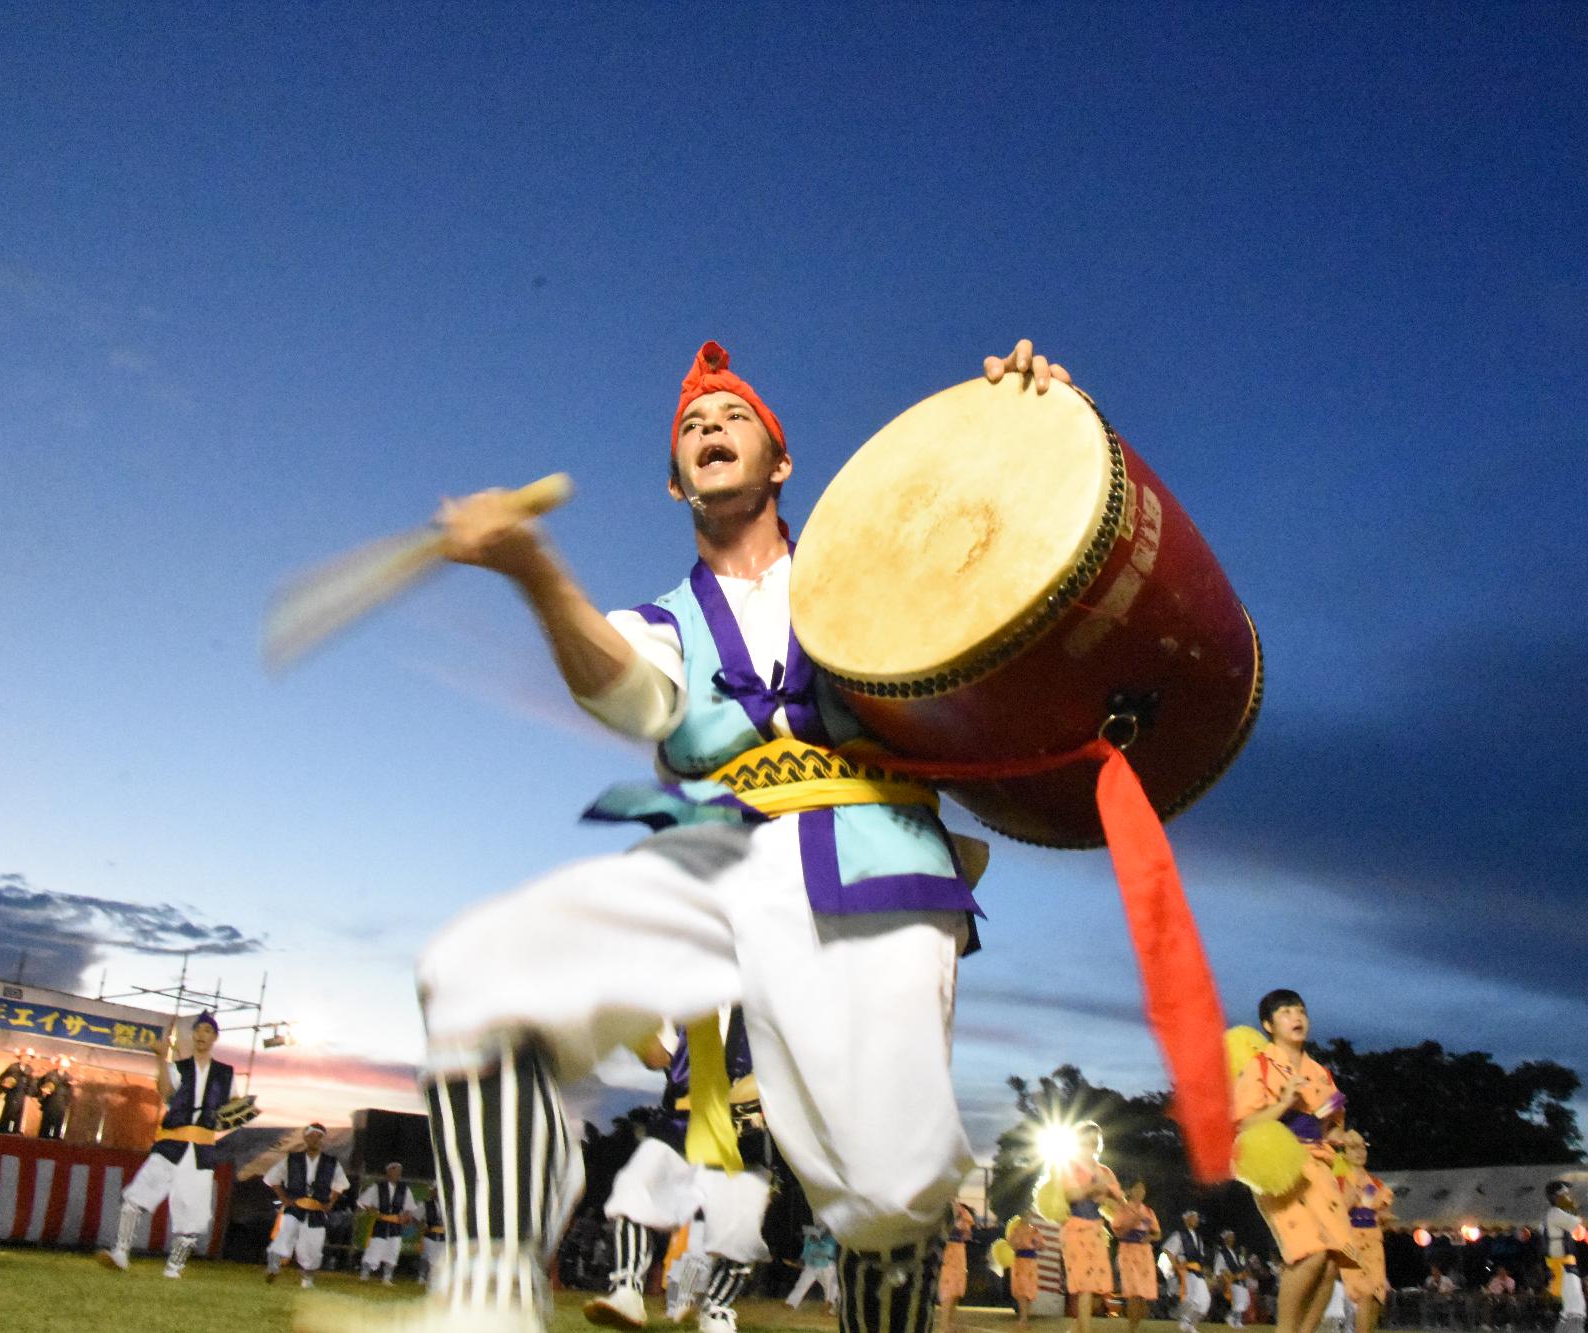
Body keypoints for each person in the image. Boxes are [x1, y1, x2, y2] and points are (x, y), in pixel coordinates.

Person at [364, 339, 1073, 1333]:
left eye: (731, 417)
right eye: (690, 426)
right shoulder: (663, 621)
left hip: (869, 861)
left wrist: (1022, 428)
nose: (706, 426)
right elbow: (627, 693)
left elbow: (995, 565)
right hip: (712, 862)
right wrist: (530, 565)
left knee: (886, 1193)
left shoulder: (871, 565)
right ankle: (482, 1309)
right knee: (479, 978)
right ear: (673, 482)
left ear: (781, 465)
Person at [583, 1009, 773, 1333]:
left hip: (743, 1132)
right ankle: (627, 1289)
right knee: (636, 1184)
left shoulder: (768, 1005)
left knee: (740, 1227)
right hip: (681, 1121)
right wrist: (633, 1027)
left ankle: (717, 1310)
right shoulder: (689, 1000)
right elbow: (658, 1057)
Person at [1232, 990, 1356, 1333]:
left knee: (1332, 1261)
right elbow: (1245, 1123)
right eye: (1286, 1012)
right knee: (1309, 1253)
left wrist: (1337, 1137)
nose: (1297, 1017)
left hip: (1319, 1165)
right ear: (1268, 1025)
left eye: (1301, 1010)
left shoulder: (1321, 1073)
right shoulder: (1259, 1066)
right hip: (1280, 1166)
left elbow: (1331, 1122)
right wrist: (1285, 1102)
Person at [100, 1011, 236, 1278]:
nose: (201, 1035)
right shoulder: (179, 1067)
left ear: (215, 1037)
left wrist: (239, 1111)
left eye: (208, 1031)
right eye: (198, 1030)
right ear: (192, 1034)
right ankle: (121, 1252)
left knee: (193, 1209)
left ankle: (175, 1266)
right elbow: (165, 1094)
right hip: (171, 1143)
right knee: (137, 1194)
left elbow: (231, 1109)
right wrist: (161, 1059)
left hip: (201, 1150)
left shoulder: (226, 1074)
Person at [1056, 1123, 1126, 1333]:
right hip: (1075, 1229)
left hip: (1096, 1230)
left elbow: (1118, 1202)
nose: (1090, 1146)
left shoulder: (1105, 1171)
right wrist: (1093, 1188)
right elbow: (1069, 1194)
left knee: (1096, 1289)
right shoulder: (1069, 1166)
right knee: (1085, 1287)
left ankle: (1075, 1330)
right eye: (1085, 1142)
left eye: (1094, 1142)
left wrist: (1108, 1198)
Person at [265, 1122, 350, 1288]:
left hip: (316, 1211)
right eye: (312, 1136)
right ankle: (273, 1266)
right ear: (305, 1137)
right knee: (285, 1235)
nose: (315, 1139)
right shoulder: (292, 1159)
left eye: (319, 1137)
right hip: (294, 1208)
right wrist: (284, 1198)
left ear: (323, 1140)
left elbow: (341, 1184)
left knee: (312, 1247)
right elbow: (272, 1178)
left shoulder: (331, 1163)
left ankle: (307, 1278)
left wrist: (331, 1202)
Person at [1340, 1137, 1393, 1333]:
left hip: (1373, 1241)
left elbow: (1383, 1212)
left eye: (1362, 1148)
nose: (1360, 1152)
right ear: (1344, 1153)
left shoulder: (1376, 1183)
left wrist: (1383, 1217)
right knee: (1363, 1292)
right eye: (1354, 1149)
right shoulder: (1340, 1180)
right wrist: (1349, 1201)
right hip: (1352, 1240)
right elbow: (1334, 1213)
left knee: (1374, 1295)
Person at [1108, 1181, 1159, 1332]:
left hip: (1144, 1254)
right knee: (1133, 1293)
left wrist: (1150, 1237)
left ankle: (1135, 1326)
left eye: (1142, 1188)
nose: (1140, 1191)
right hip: (1128, 1252)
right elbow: (1117, 1233)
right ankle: (1131, 1329)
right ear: (1130, 1190)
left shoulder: (1149, 1211)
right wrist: (1132, 1223)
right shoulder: (1123, 1209)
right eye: (1136, 1188)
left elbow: (1158, 1233)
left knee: (1142, 1296)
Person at [356, 1161, 416, 1285]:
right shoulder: (377, 1187)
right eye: (394, 1170)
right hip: (381, 1224)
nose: (396, 1173)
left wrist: (406, 1217)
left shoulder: (404, 1189)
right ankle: (364, 1274)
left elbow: (409, 1208)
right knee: (374, 1248)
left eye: (398, 1171)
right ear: (388, 1172)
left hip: (396, 1224)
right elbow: (364, 1202)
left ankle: (387, 1277)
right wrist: (376, 1213)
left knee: (393, 1249)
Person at [1543, 1182, 1588, 1333]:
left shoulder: (1556, 1213)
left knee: (1569, 1310)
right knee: (1576, 1308)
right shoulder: (1555, 1213)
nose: (1568, 1197)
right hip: (1564, 1266)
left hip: (1564, 1266)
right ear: (1556, 1197)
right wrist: (1573, 1209)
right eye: (1565, 1194)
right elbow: (1578, 1230)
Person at [1159, 1209, 1210, 1333]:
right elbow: (1168, 1250)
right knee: (1193, 1299)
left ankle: (1187, 1321)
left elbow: (1200, 1257)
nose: (1196, 1219)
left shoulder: (1198, 1238)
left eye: (1197, 1217)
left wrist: (1205, 1269)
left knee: (1205, 1301)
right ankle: (1187, 1323)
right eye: (1194, 1217)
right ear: (1186, 1219)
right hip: (1187, 1272)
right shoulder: (1179, 1235)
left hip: (1197, 1272)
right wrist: (1176, 1265)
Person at [939, 1199, 977, 1333]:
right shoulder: (940, 1207)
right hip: (946, 1249)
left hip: (958, 1250)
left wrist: (964, 1229)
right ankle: (944, 1325)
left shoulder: (962, 1211)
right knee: (948, 1287)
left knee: (956, 1287)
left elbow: (968, 1234)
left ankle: (950, 1322)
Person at [788, 1222, 841, 1312]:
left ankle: (831, 1309)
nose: (810, 1235)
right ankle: (791, 1304)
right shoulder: (809, 1239)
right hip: (812, 1265)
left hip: (827, 1267)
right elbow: (805, 1252)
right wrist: (801, 1261)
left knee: (830, 1288)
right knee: (802, 1284)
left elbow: (827, 1253)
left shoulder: (830, 1239)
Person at [1006, 1212, 1043, 1326]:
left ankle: (1024, 1317)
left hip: (1030, 1263)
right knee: (1022, 1291)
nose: (1028, 1216)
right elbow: (1011, 1244)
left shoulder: (1034, 1230)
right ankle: (1023, 1318)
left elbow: (1041, 1246)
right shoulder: (1015, 1230)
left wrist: (1036, 1244)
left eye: (1029, 1214)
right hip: (1020, 1262)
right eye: (1025, 1214)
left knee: (1029, 1291)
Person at [0, 1051, 35, 1135]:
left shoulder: (29, 1069)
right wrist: (5, 1084)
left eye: (29, 1058)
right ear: (21, 1057)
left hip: (22, 1094)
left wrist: (29, 1093)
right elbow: (3, 1077)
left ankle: (15, 1130)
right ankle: (4, 1129)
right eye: (26, 1057)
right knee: (9, 1111)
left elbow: (32, 1082)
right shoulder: (13, 1067)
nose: (28, 1060)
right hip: (12, 1093)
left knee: (19, 1113)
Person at [34, 1056, 75, 1140]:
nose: (62, 1067)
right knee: (46, 1122)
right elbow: (40, 1084)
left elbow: (70, 1092)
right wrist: (43, 1091)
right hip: (50, 1101)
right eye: (61, 1065)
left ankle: (55, 1139)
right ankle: (42, 1139)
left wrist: (68, 1102)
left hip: (61, 1103)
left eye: (64, 1066)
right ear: (57, 1065)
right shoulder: (50, 1074)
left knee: (58, 1122)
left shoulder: (69, 1077)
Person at [1215, 1231, 1249, 1328]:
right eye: (1230, 1236)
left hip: (1240, 1279)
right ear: (1225, 1239)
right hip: (1231, 1280)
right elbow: (1219, 1268)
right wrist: (1231, 1276)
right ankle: (1231, 1318)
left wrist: (1243, 1255)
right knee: (1239, 1300)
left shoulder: (1236, 1251)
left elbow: (1242, 1264)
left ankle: (1237, 1320)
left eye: (1233, 1236)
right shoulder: (1222, 1253)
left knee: (1245, 1300)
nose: (1233, 1238)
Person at [418, 1189, 446, 1286]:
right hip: (430, 1236)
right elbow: (416, 1218)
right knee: (427, 1257)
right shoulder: (425, 1204)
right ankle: (422, 1277)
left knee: (440, 1259)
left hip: (443, 1237)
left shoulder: (450, 1204)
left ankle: (434, 1279)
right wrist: (423, 1229)